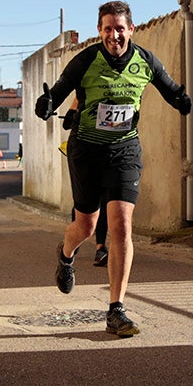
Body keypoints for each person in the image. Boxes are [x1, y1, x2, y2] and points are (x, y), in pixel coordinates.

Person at [36, 0, 192, 337]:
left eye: (119, 28)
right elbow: (60, 91)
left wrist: (181, 99)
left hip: (124, 149)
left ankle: (116, 309)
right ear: (99, 31)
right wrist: (48, 104)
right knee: (87, 227)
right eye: (107, 28)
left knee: (121, 225)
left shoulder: (145, 61)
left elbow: (168, 87)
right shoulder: (86, 60)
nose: (114, 35)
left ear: (130, 29)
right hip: (87, 151)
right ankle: (66, 254)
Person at [62, 99, 108, 266]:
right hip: (84, 154)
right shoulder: (82, 95)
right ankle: (76, 239)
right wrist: (74, 110)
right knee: (82, 204)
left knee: (104, 203)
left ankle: (100, 248)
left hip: (109, 153)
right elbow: (67, 124)